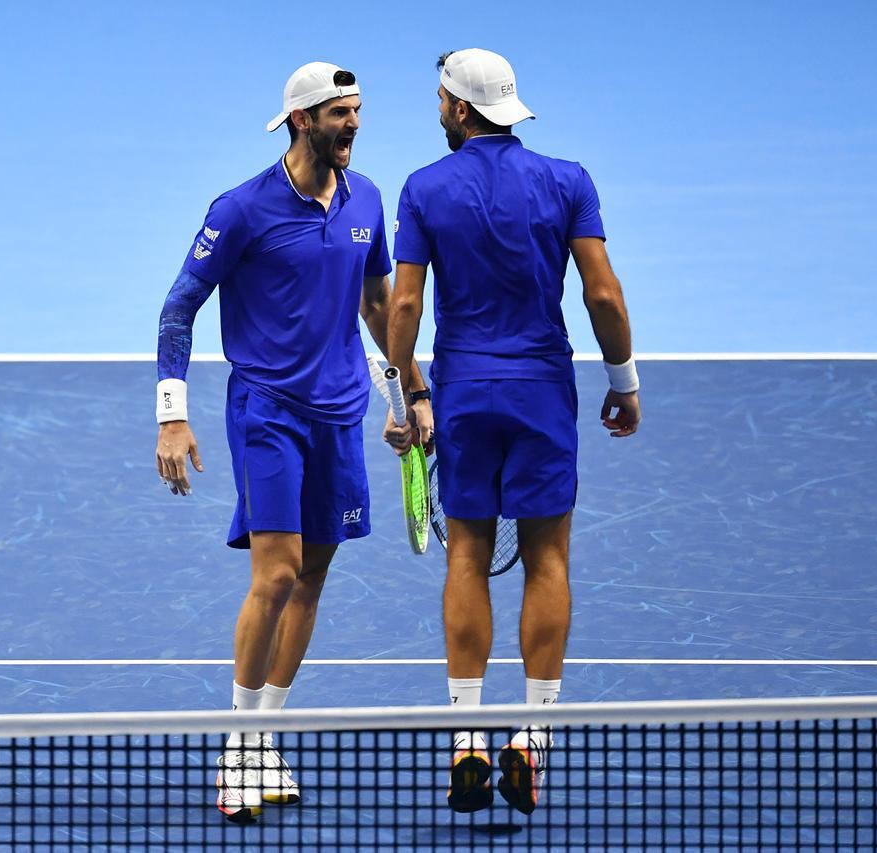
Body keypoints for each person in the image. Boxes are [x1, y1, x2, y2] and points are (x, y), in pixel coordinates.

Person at [153, 61, 425, 823]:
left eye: (360, 111)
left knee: (312, 577)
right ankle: (238, 745)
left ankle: (265, 729)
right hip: (267, 408)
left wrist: (407, 391)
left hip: (340, 412)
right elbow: (179, 307)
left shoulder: (368, 197)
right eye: (342, 113)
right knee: (274, 576)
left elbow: (377, 305)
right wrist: (172, 411)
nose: (356, 125)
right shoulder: (241, 209)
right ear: (303, 120)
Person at [385, 48, 641, 816]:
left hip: (464, 391)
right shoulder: (569, 181)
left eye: (440, 100)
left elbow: (402, 311)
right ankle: (532, 737)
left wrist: (404, 396)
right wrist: (622, 382)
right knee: (548, 558)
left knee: (465, 554)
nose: (437, 109)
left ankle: (465, 734)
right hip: (540, 391)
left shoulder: (424, 188)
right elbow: (602, 291)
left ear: (461, 111)